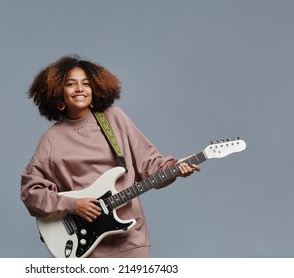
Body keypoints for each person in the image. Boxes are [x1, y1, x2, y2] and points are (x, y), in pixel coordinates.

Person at [20, 55, 200, 258]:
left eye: (86, 83)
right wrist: (74, 205)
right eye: (71, 84)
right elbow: (31, 192)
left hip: (132, 240)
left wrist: (174, 167)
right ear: (57, 93)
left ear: (95, 88)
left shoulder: (113, 118)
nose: (80, 88)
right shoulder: (51, 140)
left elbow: (149, 164)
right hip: (86, 245)